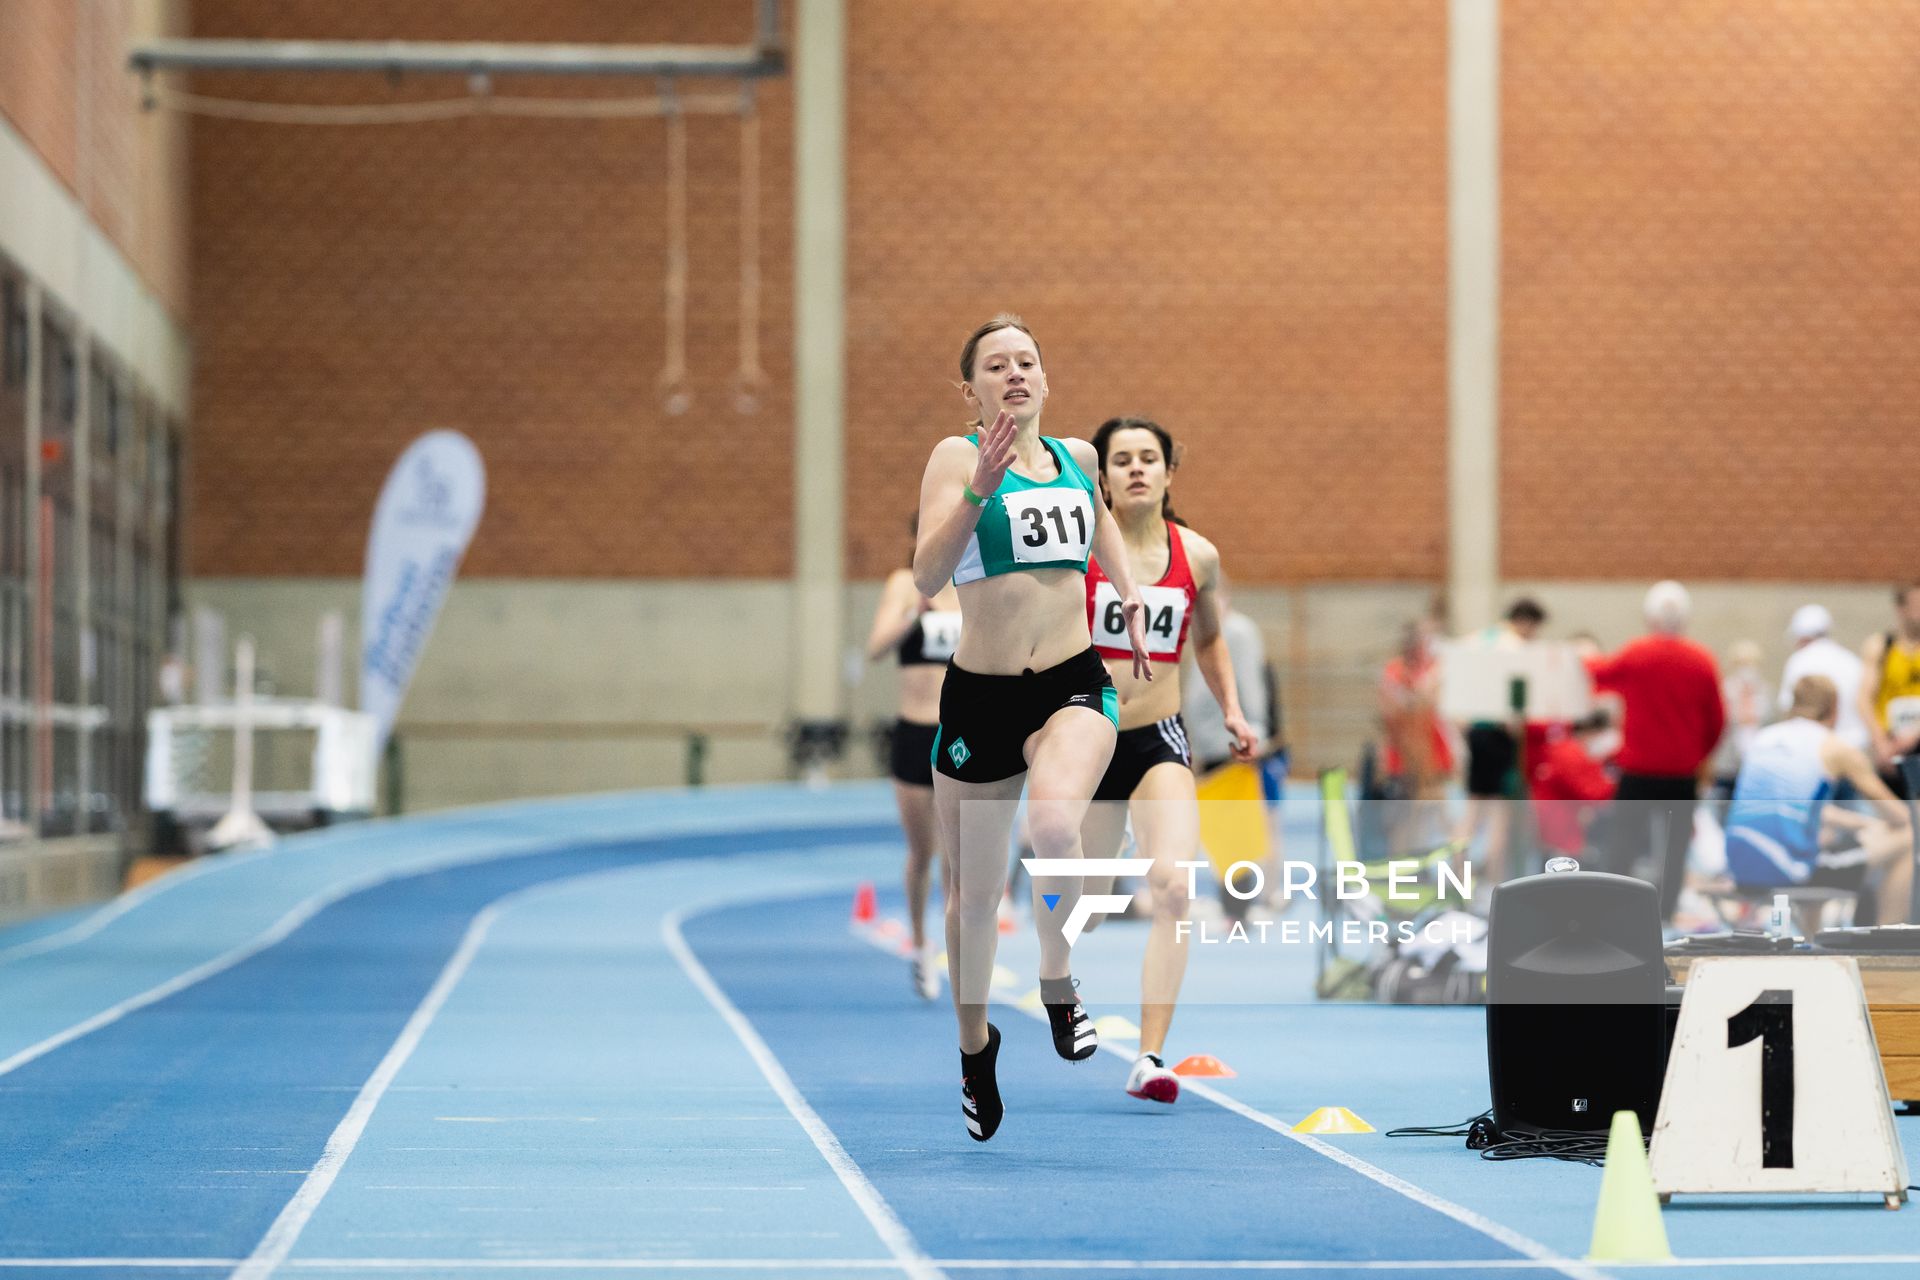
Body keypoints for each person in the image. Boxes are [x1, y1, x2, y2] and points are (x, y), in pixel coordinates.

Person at [913, 315, 1151, 1142]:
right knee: (973, 899)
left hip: (1071, 682)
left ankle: (1058, 980)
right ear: (972, 388)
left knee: (1055, 823)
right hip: (980, 696)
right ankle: (976, 1050)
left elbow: (1103, 521)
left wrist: (1122, 593)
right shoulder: (955, 458)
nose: (1015, 374)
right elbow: (927, 575)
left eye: (1027, 362)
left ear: (1045, 379)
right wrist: (978, 487)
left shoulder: (1077, 460)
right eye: (996, 366)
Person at [1072, 417, 1257, 1105]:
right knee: (1085, 909)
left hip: (1157, 740)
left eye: (1149, 458)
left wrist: (1232, 710)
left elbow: (1209, 642)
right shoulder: (1078, 553)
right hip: (1087, 741)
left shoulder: (1197, 556)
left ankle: (1149, 1057)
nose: (1137, 469)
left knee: (1175, 889)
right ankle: (1062, 965)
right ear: (1104, 478)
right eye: (1122, 460)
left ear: (1170, 473)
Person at [1582, 581, 1725, 922]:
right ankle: (1665, 913)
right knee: (1674, 852)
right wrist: (1696, 755)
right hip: (1680, 775)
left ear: (1649, 618)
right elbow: (1717, 721)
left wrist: (1578, 655)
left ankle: (1613, 911)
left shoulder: (1636, 653)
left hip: (1638, 773)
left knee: (1623, 846)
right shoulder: (1702, 661)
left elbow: (1596, 674)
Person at [864, 517, 963, 1000]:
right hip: (912, 730)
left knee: (954, 851)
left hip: (960, 731)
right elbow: (875, 648)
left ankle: (955, 947)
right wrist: (912, 612)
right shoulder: (904, 583)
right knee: (922, 850)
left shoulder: (973, 583)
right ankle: (920, 946)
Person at [1725, 675, 1912, 927]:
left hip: (1740, 866)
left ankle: (1812, 946)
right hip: (1790, 871)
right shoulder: (1834, 747)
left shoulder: (1763, 739)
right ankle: (1889, 938)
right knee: (1910, 836)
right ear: (1834, 709)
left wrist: (1864, 824)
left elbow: (1806, 810)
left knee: (1817, 847)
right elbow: (1900, 815)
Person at [1452, 598, 1548, 889]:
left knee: (1472, 811)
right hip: (1498, 733)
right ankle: (1496, 884)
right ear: (1527, 623)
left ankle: (1458, 878)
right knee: (1499, 815)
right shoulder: (1515, 648)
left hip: (1474, 730)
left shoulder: (1475, 640)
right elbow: (1516, 703)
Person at [1858, 581, 1920, 801]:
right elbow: (1864, 699)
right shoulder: (1881, 646)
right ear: (1901, 609)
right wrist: (1880, 742)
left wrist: (1914, 734)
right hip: (1891, 743)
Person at [1528, 711, 1617, 859]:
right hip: (1562, 826)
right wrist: (1617, 784)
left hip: (1559, 822)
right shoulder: (1570, 753)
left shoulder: (1569, 750)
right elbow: (1590, 792)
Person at [1778, 605, 1867, 751]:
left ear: (1801, 637)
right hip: (1853, 746)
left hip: (1812, 750)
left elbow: (1788, 708)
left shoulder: (1799, 660)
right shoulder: (1851, 660)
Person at [1713, 640, 1772, 803]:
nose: (1747, 669)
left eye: (1751, 663)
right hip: (1728, 767)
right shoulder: (1725, 691)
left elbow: (1766, 721)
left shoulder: (1763, 691)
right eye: (1743, 663)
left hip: (1755, 765)